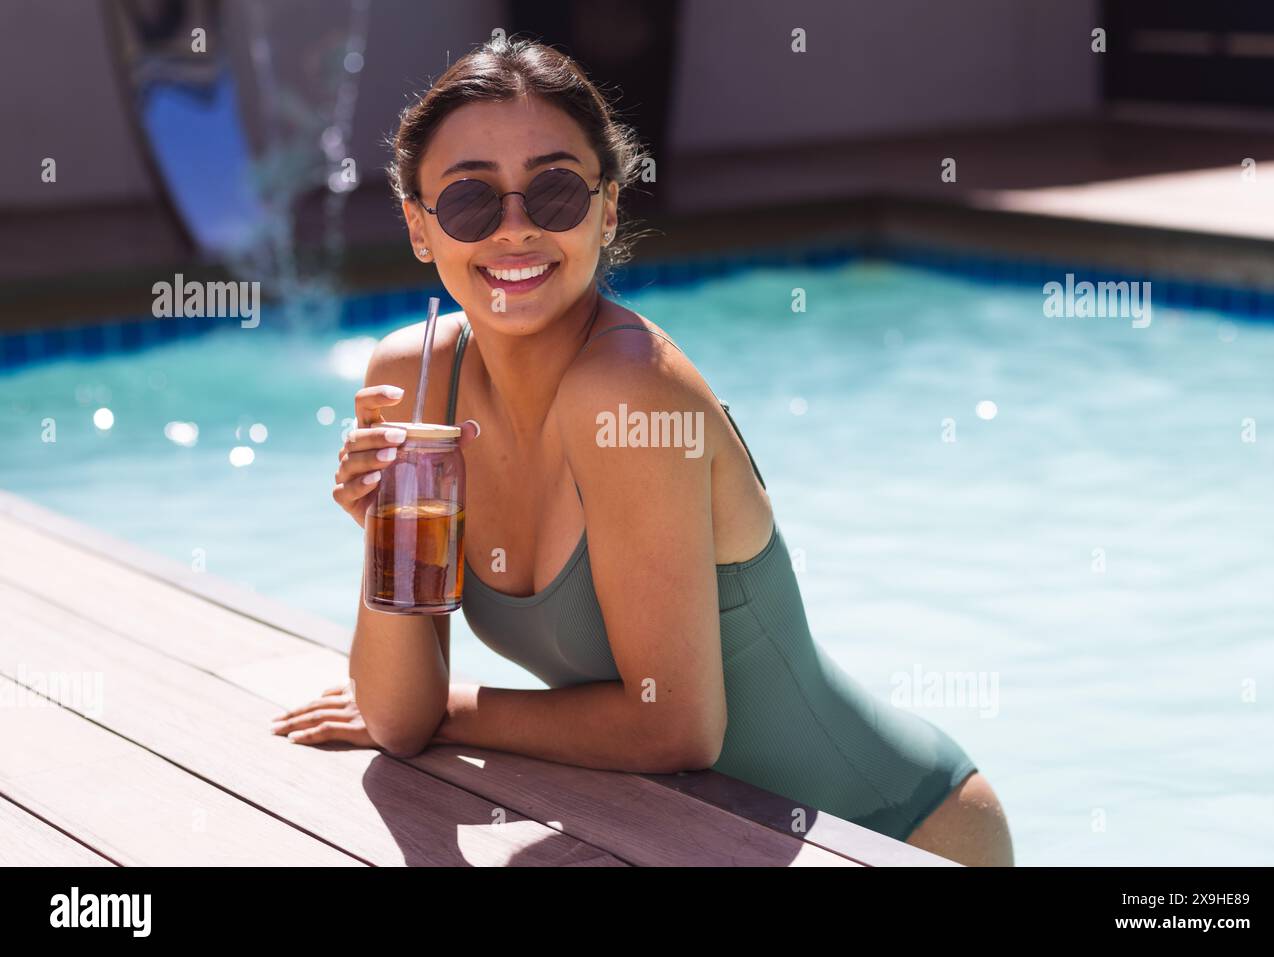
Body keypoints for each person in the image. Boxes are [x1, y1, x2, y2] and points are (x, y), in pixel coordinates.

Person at [272, 35, 1013, 867]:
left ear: (609, 208)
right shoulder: (412, 376)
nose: (515, 230)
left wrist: (459, 705)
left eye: (554, 191)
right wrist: (390, 536)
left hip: (891, 833)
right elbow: (399, 721)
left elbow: (674, 728)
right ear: (418, 224)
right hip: (706, 837)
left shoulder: (628, 390)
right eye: (471, 201)